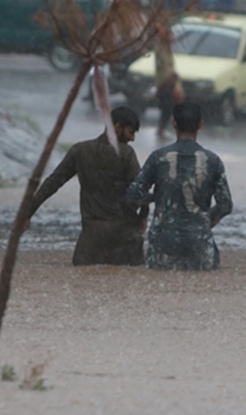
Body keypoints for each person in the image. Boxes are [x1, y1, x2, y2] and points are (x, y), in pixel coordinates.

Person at [26, 106, 147, 266]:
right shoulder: (126, 153)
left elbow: (53, 183)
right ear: (117, 127)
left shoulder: (80, 150)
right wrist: (143, 216)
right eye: (131, 132)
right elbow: (141, 190)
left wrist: (27, 213)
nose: (132, 139)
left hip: (91, 242)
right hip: (125, 238)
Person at [125, 101, 233, 271]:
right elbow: (225, 205)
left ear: (173, 123)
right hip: (199, 242)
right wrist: (203, 221)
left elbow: (133, 194)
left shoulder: (157, 158)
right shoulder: (213, 161)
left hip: (163, 241)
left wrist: (156, 197)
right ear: (200, 125)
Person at [153, 24, 184, 139]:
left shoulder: (168, 49)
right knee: (166, 106)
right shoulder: (160, 48)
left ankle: (163, 128)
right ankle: (161, 128)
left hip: (171, 82)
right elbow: (163, 67)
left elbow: (171, 68)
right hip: (164, 83)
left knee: (169, 107)